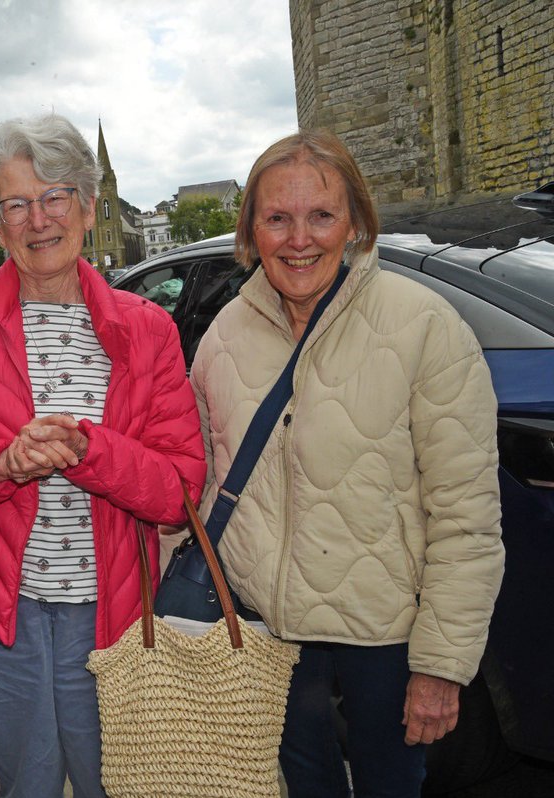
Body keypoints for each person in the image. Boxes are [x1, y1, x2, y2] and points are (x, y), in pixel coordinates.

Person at [0, 113, 206, 798]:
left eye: (55, 196)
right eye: (15, 204)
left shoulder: (146, 329)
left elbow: (180, 491)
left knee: (111, 785)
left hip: (117, 609)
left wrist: (90, 451)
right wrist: (0, 465)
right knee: (26, 784)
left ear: (89, 207)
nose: (38, 219)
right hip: (5, 614)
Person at [189, 130, 504, 797]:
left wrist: (442, 665)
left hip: (383, 635)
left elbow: (465, 518)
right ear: (252, 230)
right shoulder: (223, 337)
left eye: (321, 215)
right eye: (277, 218)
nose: (298, 238)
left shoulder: (426, 327)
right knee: (304, 787)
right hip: (266, 632)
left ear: (355, 223)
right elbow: (200, 482)